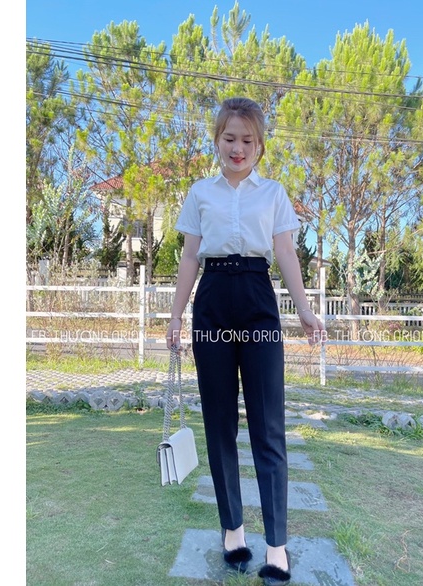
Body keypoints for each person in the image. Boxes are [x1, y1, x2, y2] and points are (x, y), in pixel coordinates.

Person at [166, 97, 324, 586]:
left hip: (257, 299)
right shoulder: (200, 193)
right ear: (217, 140)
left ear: (260, 146)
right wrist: (175, 318)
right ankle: (232, 532)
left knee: (267, 425)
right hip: (212, 300)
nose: (238, 148)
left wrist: (304, 309)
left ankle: (277, 546)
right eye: (229, 138)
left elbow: (286, 253)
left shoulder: (273, 194)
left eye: (247, 140)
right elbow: (189, 258)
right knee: (219, 425)